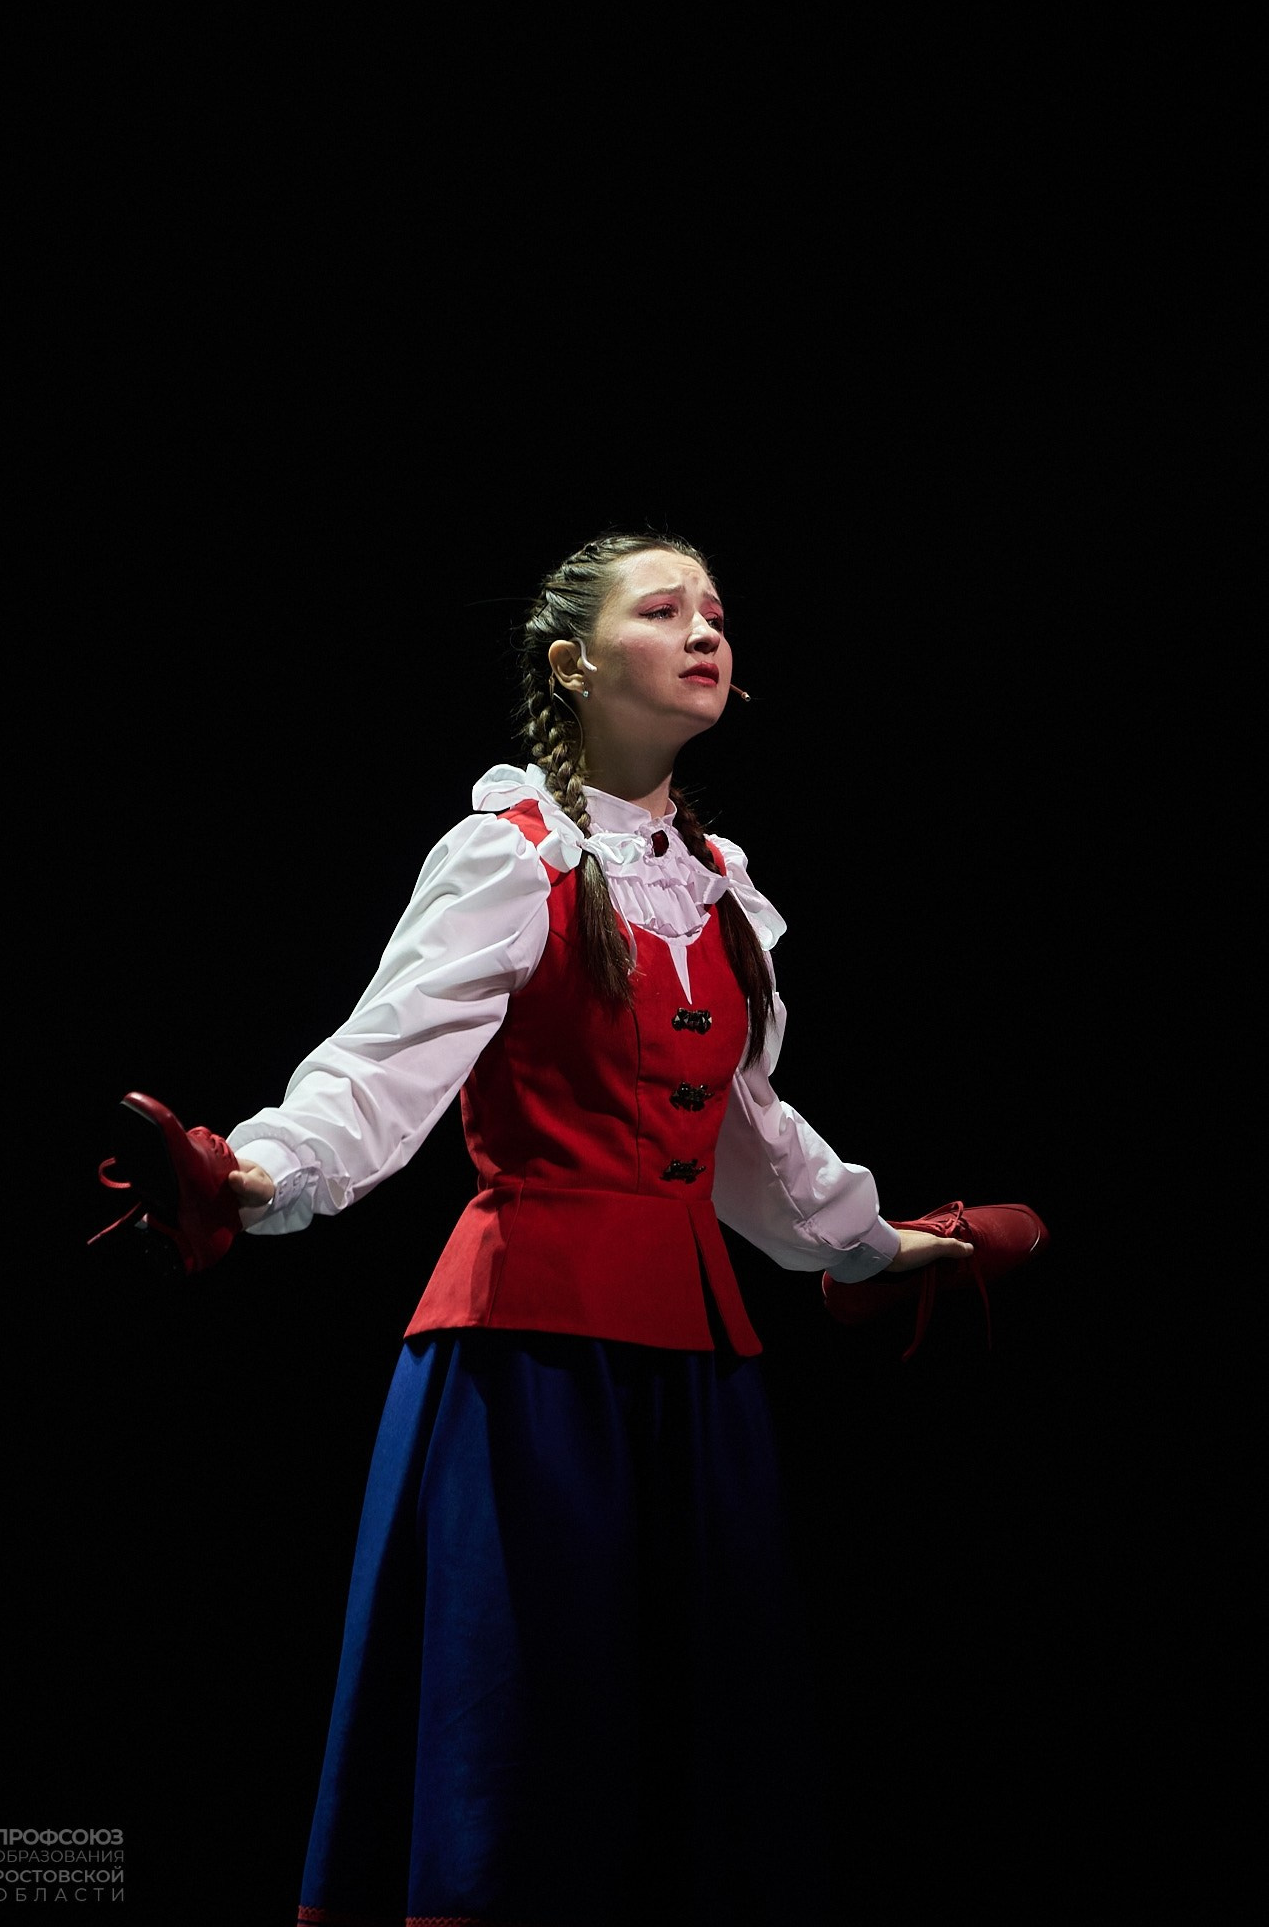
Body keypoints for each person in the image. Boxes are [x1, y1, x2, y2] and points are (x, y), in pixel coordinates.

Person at [100, 532, 981, 1926]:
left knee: (688, 1740)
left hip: (694, 1364)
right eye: (664, 610)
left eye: (716, 613)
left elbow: (746, 1132)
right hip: (533, 1357)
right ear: (571, 663)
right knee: (525, 1719)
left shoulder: (720, 885)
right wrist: (255, 1173)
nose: (706, 632)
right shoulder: (510, 858)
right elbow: (382, 1061)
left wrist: (879, 1245)